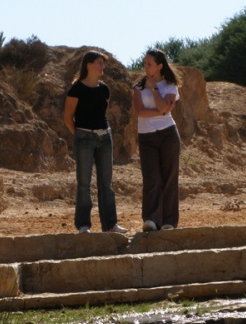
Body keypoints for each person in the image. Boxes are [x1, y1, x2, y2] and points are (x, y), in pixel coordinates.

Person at [64, 50, 126, 234]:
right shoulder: (76, 89)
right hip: (84, 138)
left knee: (106, 184)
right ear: (88, 64)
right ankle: (83, 225)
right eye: (99, 62)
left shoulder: (104, 89)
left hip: (105, 137)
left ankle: (110, 225)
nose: (102, 66)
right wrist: (81, 135)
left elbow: (102, 113)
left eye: (103, 63)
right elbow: (68, 118)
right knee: (84, 183)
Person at [133, 48, 181, 231]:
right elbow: (140, 112)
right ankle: (151, 219)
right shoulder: (137, 87)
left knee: (169, 177)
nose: (145, 67)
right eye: (144, 63)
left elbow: (164, 106)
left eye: (149, 64)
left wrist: (153, 88)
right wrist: (160, 111)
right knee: (151, 178)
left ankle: (169, 221)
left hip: (168, 134)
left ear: (160, 66)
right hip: (146, 136)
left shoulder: (170, 85)